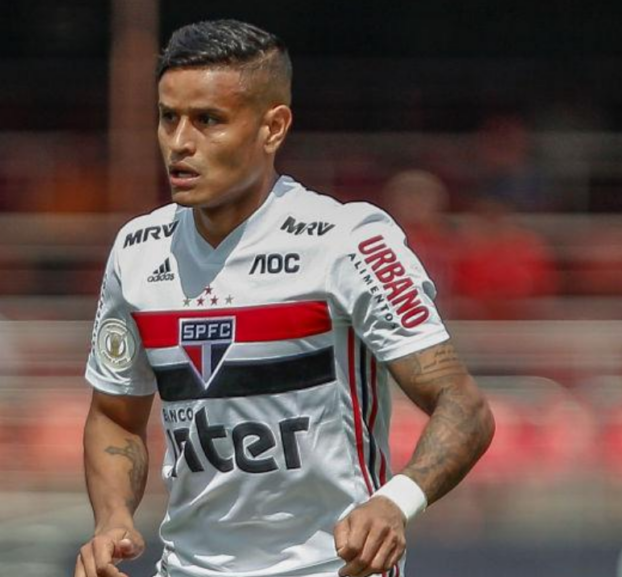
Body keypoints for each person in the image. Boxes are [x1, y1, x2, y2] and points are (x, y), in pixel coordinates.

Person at [77, 20, 494, 577]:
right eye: (168, 117)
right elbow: (115, 416)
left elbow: (463, 406)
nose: (179, 142)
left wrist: (396, 501)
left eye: (208, 120)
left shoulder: (347, 242)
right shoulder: (137, 251)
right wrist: (112, 518)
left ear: (272, 127)